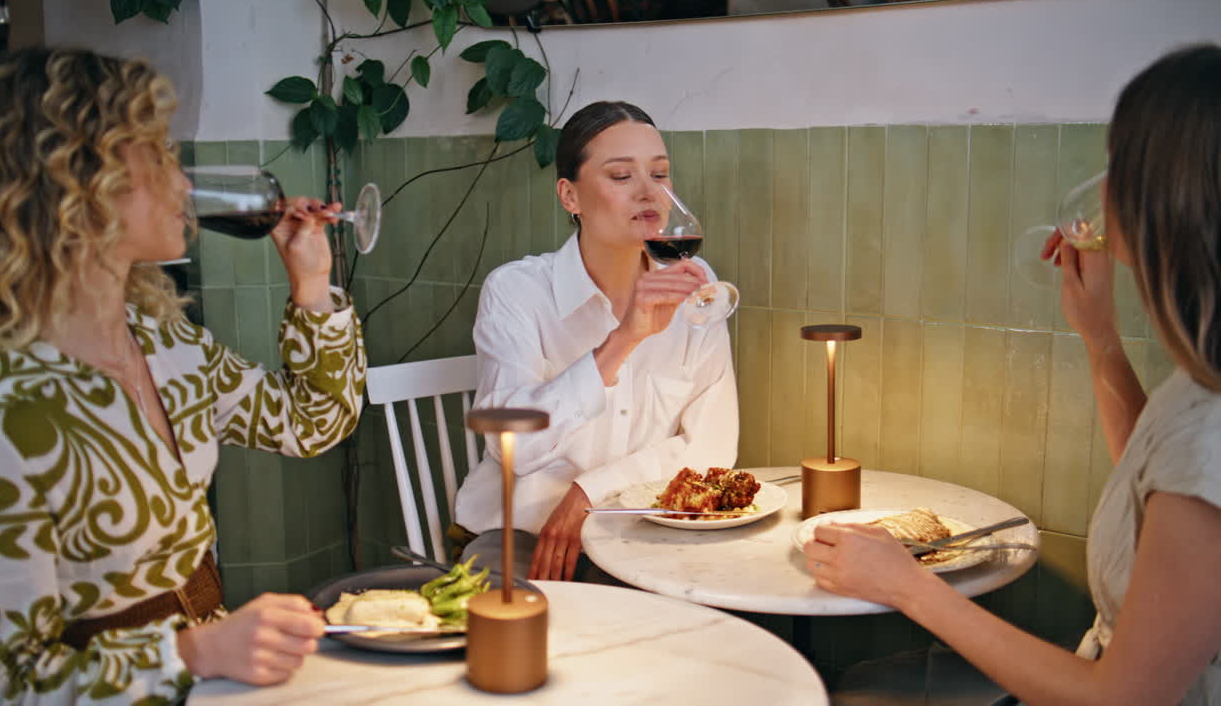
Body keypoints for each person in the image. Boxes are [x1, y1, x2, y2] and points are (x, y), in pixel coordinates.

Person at [0, 48, 367, 703]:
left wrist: (311, 284)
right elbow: (1, 685)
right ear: (76, 181)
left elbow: (315, 422)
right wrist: (191, 652)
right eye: (160, 156)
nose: (185, 184)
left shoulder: (169, 345)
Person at [804, 43, 1221, 705]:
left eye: (1116, 165)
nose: (1103, 190)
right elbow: (1151, 474)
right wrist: (1100, 337)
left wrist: (907, 586)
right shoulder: (1203, 377)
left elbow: (1122, 698)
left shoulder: (1211, 433)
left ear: (1165, 196)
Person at [452, 101, 739, 581]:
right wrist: (622, 341)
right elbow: (512, 451)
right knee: (523, 632)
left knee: (702, 623)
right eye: (622, 176)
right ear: (570, 196)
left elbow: (712, 447)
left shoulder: (696, 284)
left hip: (643, 533)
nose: (650, 193)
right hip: (524, 537)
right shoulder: (517, 291)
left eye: (661, 174)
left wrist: (589, 494)